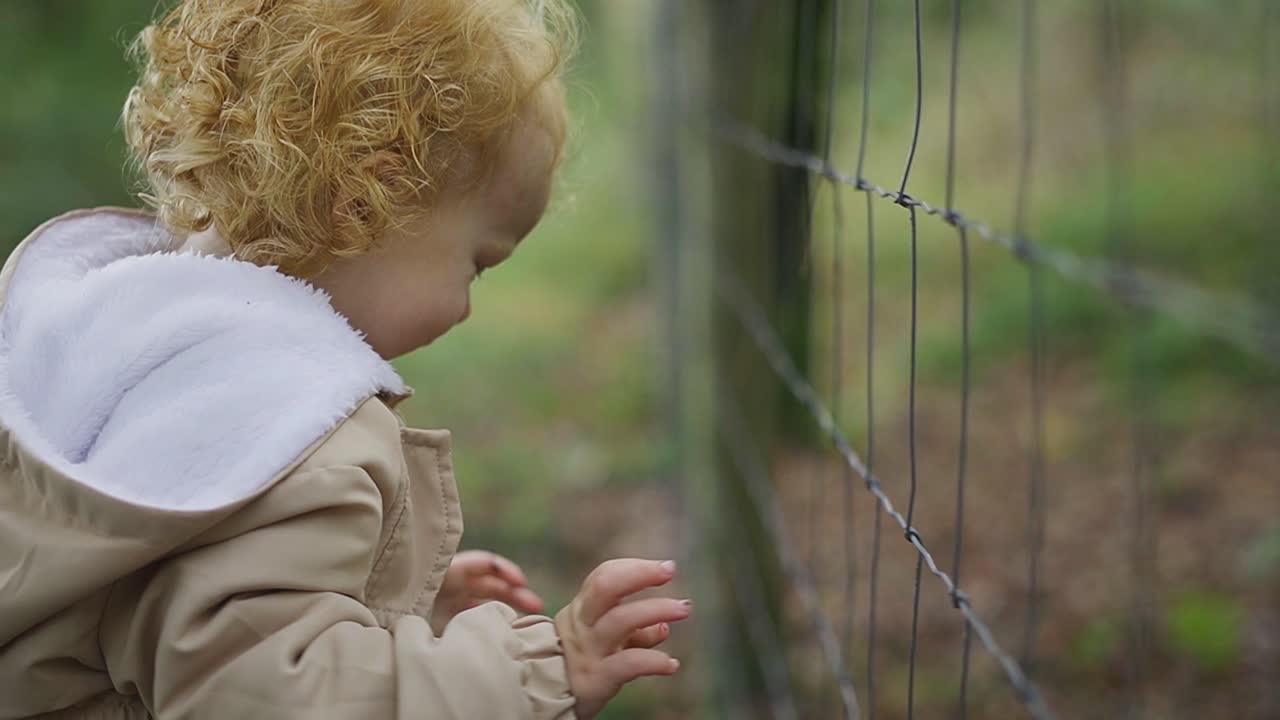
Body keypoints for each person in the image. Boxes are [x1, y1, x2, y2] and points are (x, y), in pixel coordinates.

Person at [0, 1, 688, 718]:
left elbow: (174, 606)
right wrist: (543, 665)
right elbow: (277, 693)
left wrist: (378, 595)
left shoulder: (129, 341)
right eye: (477, 263)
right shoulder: (294, 432)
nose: (466, 308)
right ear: (368, 205)